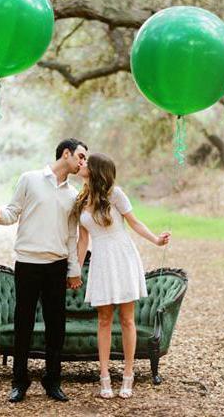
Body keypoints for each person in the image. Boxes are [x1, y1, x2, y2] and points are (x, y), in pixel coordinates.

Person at [0, 138, 87, 403]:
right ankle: (19, 382)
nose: (82, 162)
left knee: (56, 326)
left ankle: (52, 380)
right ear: (66, 154)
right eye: (80, 156)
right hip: (28, 263)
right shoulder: (29, 179)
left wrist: (73, 269)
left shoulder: (72, 194)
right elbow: (12, 212)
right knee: (24, 323)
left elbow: (72, 236)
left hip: (56, 267)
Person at [70, 152, 170, 399]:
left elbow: (134, 223)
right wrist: (75, 269)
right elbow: (83, 240)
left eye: (86, 162)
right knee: (104, 319)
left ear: (95, 170)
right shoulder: (81, 198)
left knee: (127, 319)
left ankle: (128, 375)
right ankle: (104, 376)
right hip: (102, 260)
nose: (81, 163)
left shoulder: (115, 194)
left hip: (123, 257)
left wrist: (156, 240)